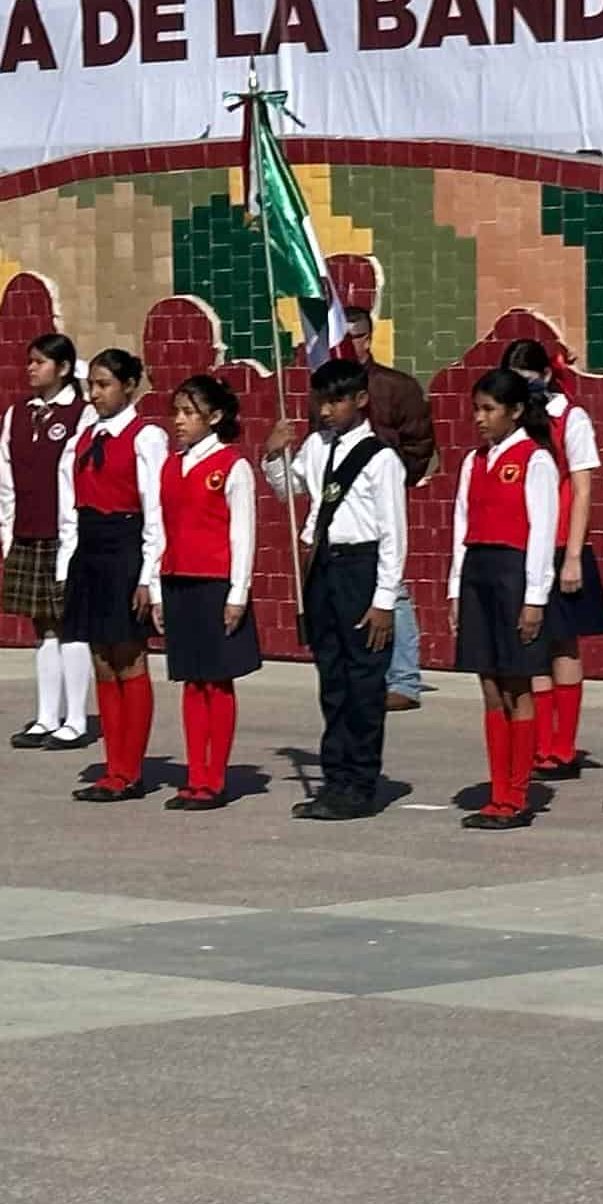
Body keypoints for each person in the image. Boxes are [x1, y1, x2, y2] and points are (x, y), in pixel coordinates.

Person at [283, 355, 407, 820]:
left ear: (360, 399)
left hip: (361, 567)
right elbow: (290, 490)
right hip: (324, 566)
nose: (327, 410)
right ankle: (334, 778)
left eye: (336, 401)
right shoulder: (317, 446)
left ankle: (360, 781)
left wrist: (383, 600)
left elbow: (394, 534)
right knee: (332, 679)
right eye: (322, 401)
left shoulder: (380, 459)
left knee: (363, 681)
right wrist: (275, 456)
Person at [141, 370, 262, 810]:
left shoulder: (232, 465)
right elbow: (159, 529)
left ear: (215, 416)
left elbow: (243, 534)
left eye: (189, 413)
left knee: (217, 683)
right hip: (178, 582)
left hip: (215, 584)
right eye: (177, 412)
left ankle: (215, 778)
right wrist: (155, 588)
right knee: (191, 683)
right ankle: (193, 774)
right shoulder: (171, 464)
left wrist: (238, 593)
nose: (179, 420)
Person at [449, 365, 563, 831]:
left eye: (489, 409)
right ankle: (496, 789)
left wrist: (535, 597)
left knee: (519, 684)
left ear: (515, 412)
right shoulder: (474, 461)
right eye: (476, 409)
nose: (480, 418)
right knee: (490, 685)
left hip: (514, 576)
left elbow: (541, 534)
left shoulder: (534, 460)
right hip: (478, 573)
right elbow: (460, 526)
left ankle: (517, 794)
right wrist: (455, 588)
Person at [60, 348, 170, 803]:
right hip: (90, 548)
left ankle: (131, 769)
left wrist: (150, 576)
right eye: (93, 385)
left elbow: (155, 512)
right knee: (100, 658)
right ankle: (113, 765)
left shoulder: (147, 438)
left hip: (125, 546)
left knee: (128, 656)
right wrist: (67, 566)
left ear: (129, 386)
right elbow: (69, 506)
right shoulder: (84, 438)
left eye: (105, 384)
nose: (97, 393)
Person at [496, 337, 603, 778]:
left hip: (562, 543)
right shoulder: (514, 422)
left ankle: (563, 745)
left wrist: (574, 556)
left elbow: (581, 489)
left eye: (527, 380)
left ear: (545, 375)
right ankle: (540, 741)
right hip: (521, 545)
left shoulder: (570, 417)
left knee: (563, 641)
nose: (523, 389)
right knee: (531, 644)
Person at [323, 300, 437, 703]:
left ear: (367, 338)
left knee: (394, 588)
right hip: (340, 500)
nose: (343, 347)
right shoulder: (329, 389)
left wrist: (396, 475)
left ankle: (404, 678)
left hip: (381, 490)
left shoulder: (395, 386)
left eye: (350, 339)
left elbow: (420, 439)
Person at [0, 330, 93, 748]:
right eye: (29, 361)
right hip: (27, 531)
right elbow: (6, 482)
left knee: (70, 625)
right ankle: (44, 716)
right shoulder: (17, 413)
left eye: (40, 361)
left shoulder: (82, 414)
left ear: (65, 368)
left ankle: (75, 719)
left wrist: (75, 541)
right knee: (42, 628)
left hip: (66, 535)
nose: (31, 368)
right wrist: (8, 536)